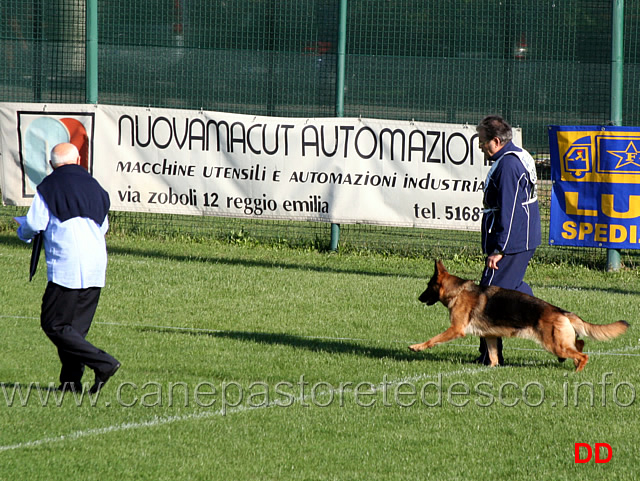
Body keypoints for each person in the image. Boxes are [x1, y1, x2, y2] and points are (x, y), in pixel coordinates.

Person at [16, 142, 120, 393]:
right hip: (96, 264)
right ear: (79, 159)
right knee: (74, 332)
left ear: (51, 164)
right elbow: (102, 227)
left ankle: (104, 363)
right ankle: (71, 384)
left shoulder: (49, 187)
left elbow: (34, 223)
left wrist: (22, 230)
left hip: (67, 265)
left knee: (53, 324)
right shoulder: (96, 187)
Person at [475, 115, 541, 365]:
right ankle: (560, 328)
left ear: (495, 141)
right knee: (520, 295)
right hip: (523, 240)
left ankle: (490, 357)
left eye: (483, 141)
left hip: (512, 243)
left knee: (486, 297)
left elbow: (510, 210)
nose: (481, 146)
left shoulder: (508, 166)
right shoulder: (517, 155)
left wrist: (499, 248)